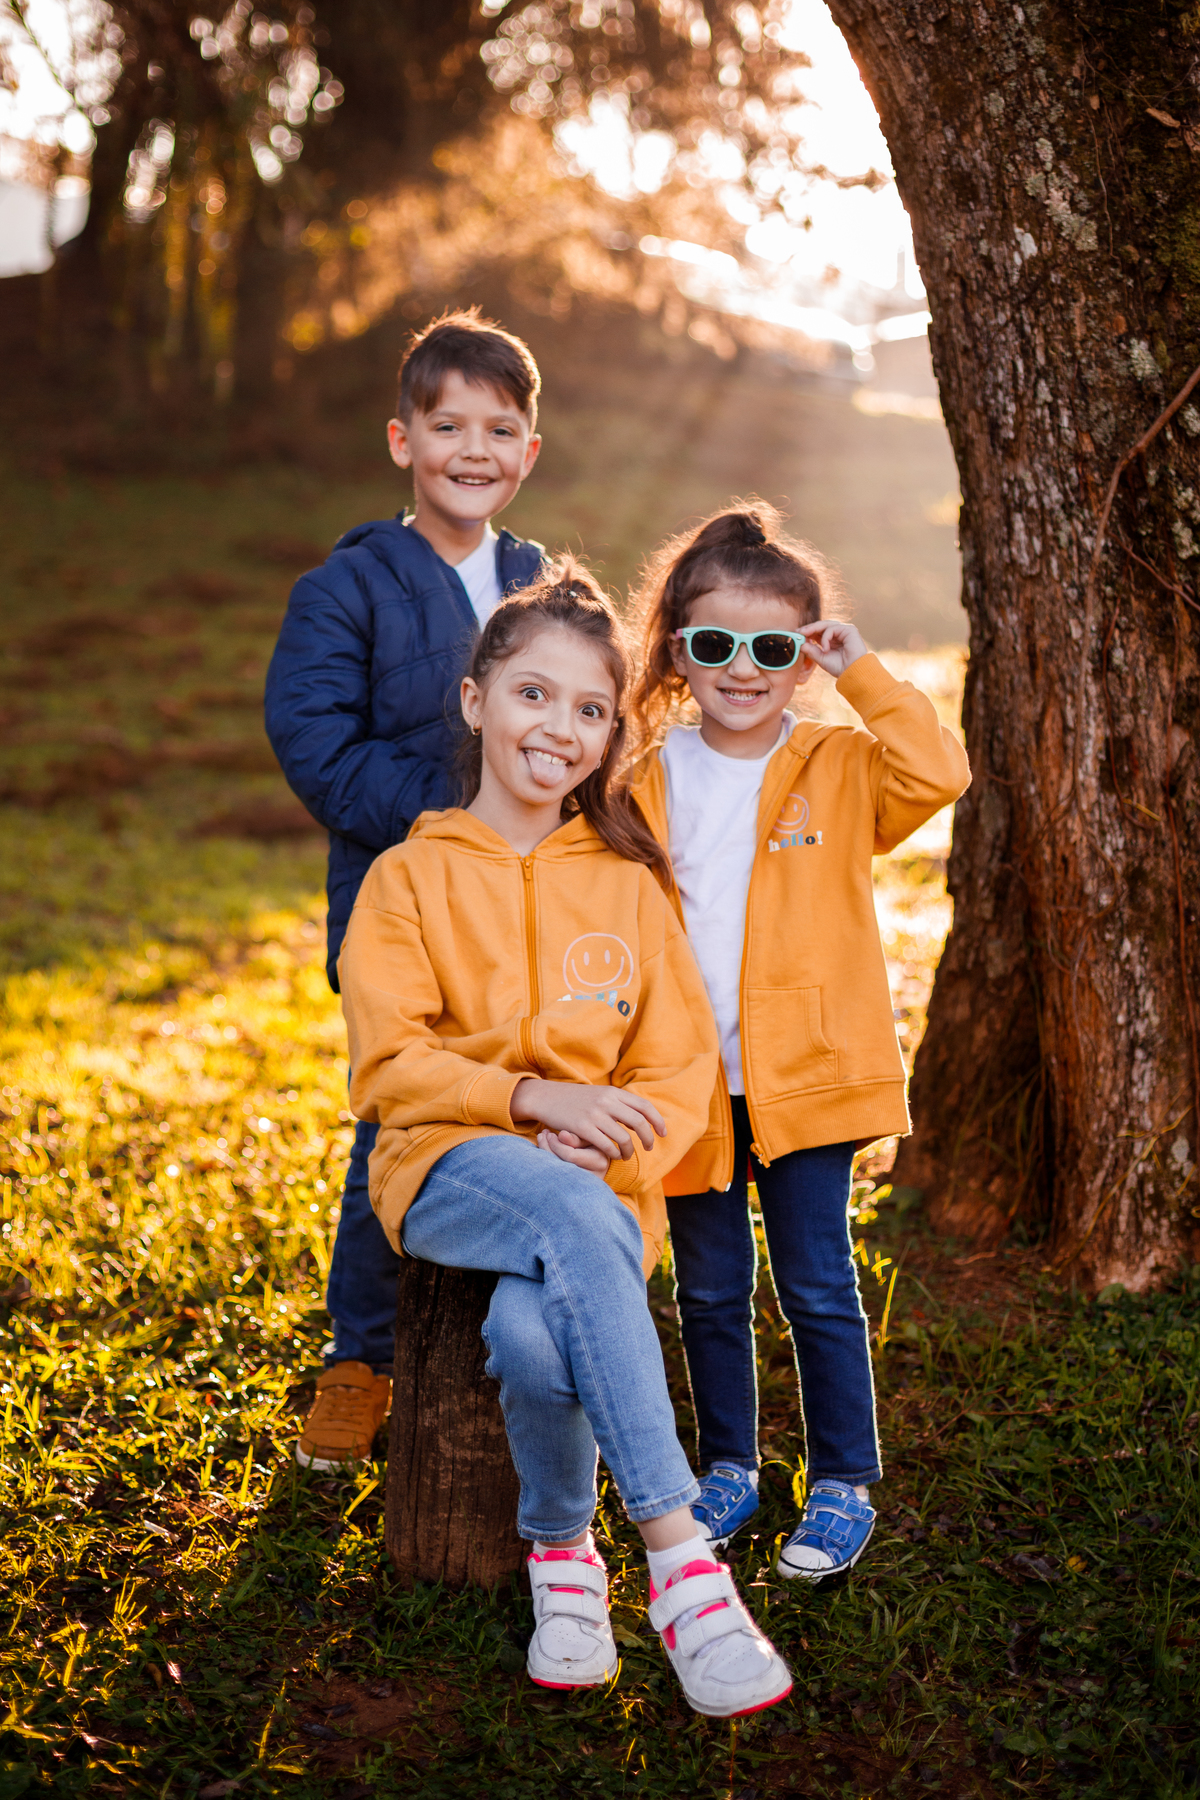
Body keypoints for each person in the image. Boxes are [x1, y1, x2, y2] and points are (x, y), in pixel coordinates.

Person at [338, 566, 793, 1716]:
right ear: (476, 699)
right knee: (566, 1224)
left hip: (602, 1181)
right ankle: (685, 1568)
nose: (562, 728)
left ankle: (563, 1562)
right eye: (535, 695)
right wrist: (535, 1102)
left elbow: (682, 1065)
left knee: (539, 1344)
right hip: (449, 1166)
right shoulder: (408, 878)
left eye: (592, 711)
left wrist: (611, 1145)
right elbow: (390, 1067)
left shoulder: (631, 886)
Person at [627, 504, 971, 1581]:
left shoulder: (839, 761)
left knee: (818, 1282)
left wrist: (861, 668)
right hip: (686, 1085)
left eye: (773, 648)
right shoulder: (638, 775)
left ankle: (841, 1479)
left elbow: (941, 770)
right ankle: (729, 1465)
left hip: (809, 1079)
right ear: (678, 651)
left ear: (803, 655)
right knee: (708, 1285)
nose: (743, 668)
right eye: (716, 644)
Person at [265, 309, 547, 1471]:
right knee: (400, 1111)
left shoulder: (540, 585)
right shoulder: (352, 586)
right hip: (400, 906)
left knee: (522, 1092)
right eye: (447, 426)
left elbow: (580, 715)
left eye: (498, 428)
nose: (471, 450)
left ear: (528, 452)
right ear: (402, 440)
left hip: (526, 911)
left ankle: (509, 1316)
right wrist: (452, 816)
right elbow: (315, 742)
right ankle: (361, 1357)